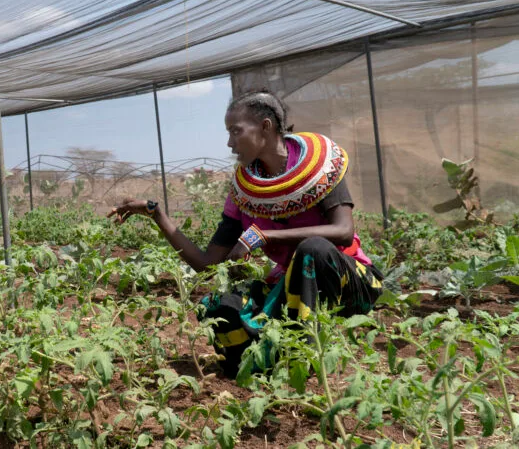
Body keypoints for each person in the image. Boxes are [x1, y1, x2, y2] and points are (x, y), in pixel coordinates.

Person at [108, 89, 383, 375]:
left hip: (349, 282)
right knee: (221, 307)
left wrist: (264, 236)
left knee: (313, 250)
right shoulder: (244, 193)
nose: (229, 143)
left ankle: (306, 354)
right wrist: (157, 214)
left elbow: (342, 232)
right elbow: (206, 264)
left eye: (235, 131)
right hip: (291, 290)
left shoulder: (320, 167)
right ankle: (263, 363)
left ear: (265, 126)